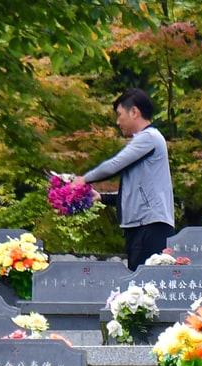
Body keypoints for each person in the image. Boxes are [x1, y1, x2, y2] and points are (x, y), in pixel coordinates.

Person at [72, 88, 175, 271]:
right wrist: (101, 197)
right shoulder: (145, 140)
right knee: (140, 286)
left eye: (120, 115)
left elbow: (114, 165)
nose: (118, 121)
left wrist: (83, 180)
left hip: (150, 226)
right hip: (142, 226)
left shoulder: (149, 137)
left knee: (146, 286)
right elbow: (134, 190)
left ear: (134, 112)